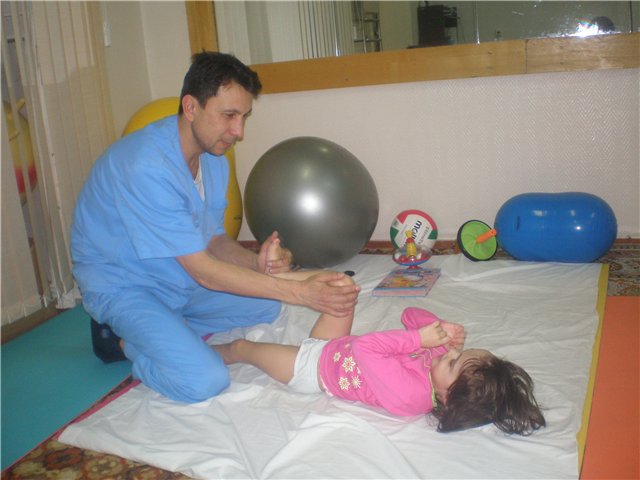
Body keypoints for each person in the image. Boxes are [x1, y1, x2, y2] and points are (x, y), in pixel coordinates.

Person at [70, 52, 360, 403]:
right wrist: (301, 292)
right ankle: (121, 342)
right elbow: (205, 272)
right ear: (191, 107)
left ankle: (168, 328)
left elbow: (214, 240)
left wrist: (258, 263)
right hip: (125, 285)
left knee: (265, 306)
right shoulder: (146, 166)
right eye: (229, 116)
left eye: (244, 117)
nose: (238, 131)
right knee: (204, 380)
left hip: (176, 276)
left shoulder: (212, 158)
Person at [213, 299, 546, 435]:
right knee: (342, 293)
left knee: (242, 349)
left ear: (447, 397)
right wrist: (439, 328)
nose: (450, 352)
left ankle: (208, 353)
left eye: (453, 360)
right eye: (458, 351)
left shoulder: (412, 395)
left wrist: (419, 339)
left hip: (311, 369)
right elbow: (410, 314)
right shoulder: (438, 369)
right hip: (332, 346)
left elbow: (365, 348)